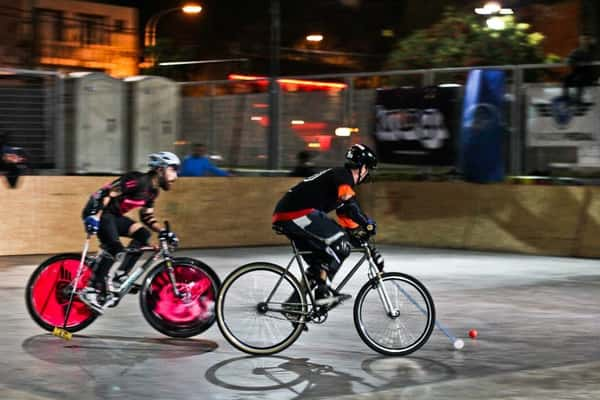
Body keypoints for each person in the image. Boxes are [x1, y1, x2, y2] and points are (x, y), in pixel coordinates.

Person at [272, 143, 383, 306]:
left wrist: (366, 244)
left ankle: (293, 304)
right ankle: (322, 293)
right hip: (297, 214)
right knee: (340, 244)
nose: (367, 174)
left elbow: (349, 221)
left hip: (291, 216)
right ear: (363, 168)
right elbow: (351, 206)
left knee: (321, 261)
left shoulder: (339, 183)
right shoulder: (343, 177)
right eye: (368, 170)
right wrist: (367, 223)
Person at [79, 151, 181, 313]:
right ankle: (91, 289)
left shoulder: (153, 192)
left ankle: (120, 275)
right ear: (160, 169)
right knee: (114, 248)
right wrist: (95, 217)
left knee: (143, 235)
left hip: (113, 215)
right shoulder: (138, 180)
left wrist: (163, 231)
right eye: (174, 169)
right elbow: (108, 192)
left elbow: (146, 216)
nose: (176, 175)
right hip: (100, 211)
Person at [563, 34, 597, 104]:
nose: (584, 41)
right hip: (576, 72)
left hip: (588, 73)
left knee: (579, 79)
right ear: (580, 41)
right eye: (582, 39)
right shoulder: (576, 51)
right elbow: (569, 59)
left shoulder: (592, 51)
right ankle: (566, 97)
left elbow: (590, 59)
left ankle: (578, 99)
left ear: (588, 41)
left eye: (586, 39)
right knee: (566, 78)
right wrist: (570, 61)